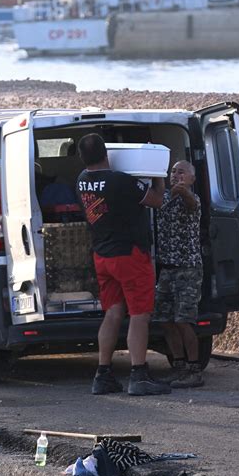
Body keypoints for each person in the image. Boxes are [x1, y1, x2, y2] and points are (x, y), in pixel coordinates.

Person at [76, 133, 170, 396]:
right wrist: (157, 173)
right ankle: (139, 374)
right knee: (139, 314)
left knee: (113, 312)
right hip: (129, 254)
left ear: (83, 158)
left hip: (102, 255)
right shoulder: (119, 181)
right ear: (106, 153)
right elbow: (157, 200)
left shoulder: (82, 181)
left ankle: (102, 374)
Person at [154, 160, 204, 388]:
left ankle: (195, 370)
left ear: (192, 178)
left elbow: (192, 205)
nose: (176, 176)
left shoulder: (192, 199)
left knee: (184, 321)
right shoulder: (162, 199)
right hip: (166, 270)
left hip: (188, 269)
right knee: (165, 320)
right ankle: (179, 366)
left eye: (181, 172)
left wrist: (183, 192)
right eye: (173, 172)